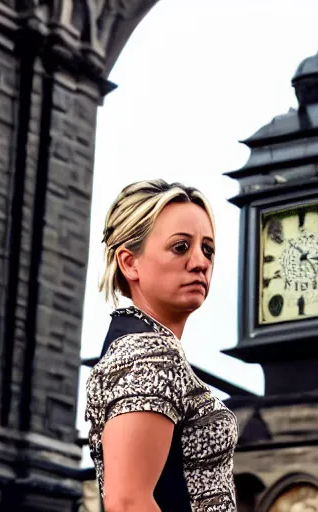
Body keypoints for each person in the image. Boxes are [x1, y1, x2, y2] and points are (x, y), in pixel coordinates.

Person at [85, 180, 238, 512]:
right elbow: (127, 502)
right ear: (129, 262)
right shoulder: (148, 354)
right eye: (181, 247)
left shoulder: (134, 343)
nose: (201, 262)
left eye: (208, 249)